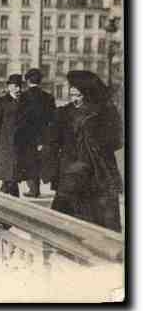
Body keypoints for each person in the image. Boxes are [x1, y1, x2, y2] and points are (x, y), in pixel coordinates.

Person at [43, 71, 122, 232]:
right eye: (71, 95)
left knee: (98, 218)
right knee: (64, 218)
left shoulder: (102, 113)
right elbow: (52, 142)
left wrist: (96, 144)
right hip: (69, 171)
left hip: (97, 173)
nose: (74, 99)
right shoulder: (63, 113)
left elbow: (117, 141)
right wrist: (49, 169)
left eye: (78, 95)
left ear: (87, 94)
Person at [15, 68, 55, 197]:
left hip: (26, 136)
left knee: (28, 161)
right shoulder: (48, 97)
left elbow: (19, 118)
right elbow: (52, 119)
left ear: (27, 81)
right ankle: (36, 188)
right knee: (39, 162)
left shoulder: (24, 97)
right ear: (40, 81)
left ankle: (33, 189)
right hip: (43, 135)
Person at [0, 74, 25, 196]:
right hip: (5, 144)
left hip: (20, 145)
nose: (18, 89)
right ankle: (8, 200)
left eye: (19, 86)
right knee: (9, 175)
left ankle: (6, 200)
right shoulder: (1, 102)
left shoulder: (25, 102)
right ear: (9, 87)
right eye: (15, 86)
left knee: (12, 176)